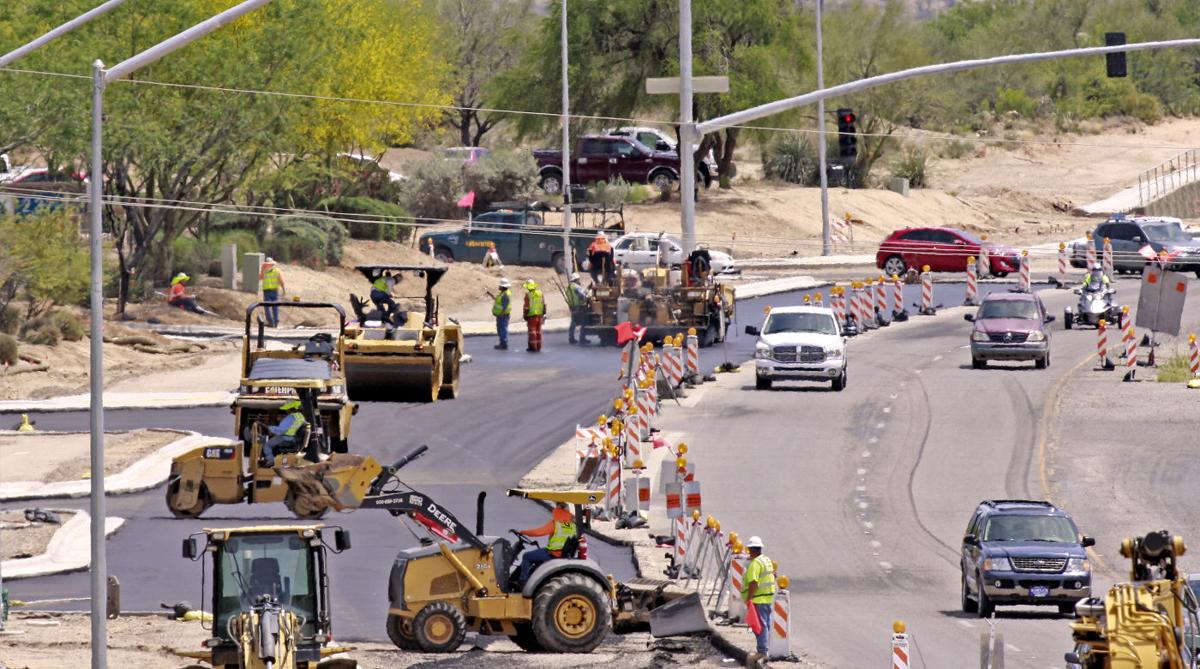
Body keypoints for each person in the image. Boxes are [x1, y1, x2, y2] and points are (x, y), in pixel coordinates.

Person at [515, 501, 576, 585]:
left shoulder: (556, 524)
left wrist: (523, 532)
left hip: (553, 554)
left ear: (558, 509)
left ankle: (522, 582)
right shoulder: (573, 526)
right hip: (564, 555)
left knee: (527, 556)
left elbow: (538, 532)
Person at [740, 536, 776, 666]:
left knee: (760, 626)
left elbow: (753, 583)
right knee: (766, 625)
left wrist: (749, 598)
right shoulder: (766, 560)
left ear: (751, 550)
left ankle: (762, 652)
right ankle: (765, 650)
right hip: (767, 597)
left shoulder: (755, 564)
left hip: (758, 598)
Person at [259, 258, 285, 327]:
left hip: (267, 291)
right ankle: (275, 322)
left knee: (267, 307)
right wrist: (283, 289)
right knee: (275, 306)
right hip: (273, 291)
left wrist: (262, 269)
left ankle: (271, 322)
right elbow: (282, 281)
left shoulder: (265, 271)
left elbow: (260, 277)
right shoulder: (277, 271)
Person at [566, 273, 591, 345]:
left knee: (573, 323)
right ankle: (582, 338)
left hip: (572, 307)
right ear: (576, 280)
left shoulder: (569, 288)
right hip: (579, 307)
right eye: (578, 279)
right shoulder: (576, 287)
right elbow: (583, 296)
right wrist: (587, 295)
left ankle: (571, 338)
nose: (579, 281)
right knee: (584, 322)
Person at [523, 279, 545, 352]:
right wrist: (544, 313)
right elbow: (543, 304)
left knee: (532, 333)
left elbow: (526, 307)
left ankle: (533, 347)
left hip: (532, 317)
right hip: (540, 315)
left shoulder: (528, 295)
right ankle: (539, 347)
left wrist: (525, 315)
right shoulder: (540, 293)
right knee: (538, 332)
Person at [493, 278, 512, 350]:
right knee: (501, 328)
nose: (499, 286)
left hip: (503, 315)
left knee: (502, 329)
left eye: (500, 285)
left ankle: (503, 344)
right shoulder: (503, 294)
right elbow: (499, 301)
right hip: (502, 315)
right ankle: (502, 343)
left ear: (503, 286)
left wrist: (501, 313)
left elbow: (504, 305)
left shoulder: (505, 295)